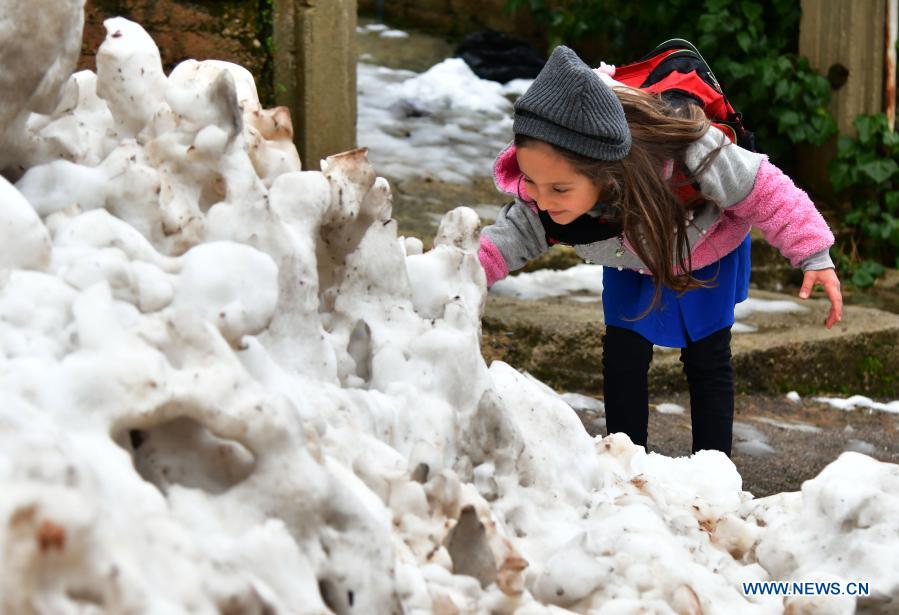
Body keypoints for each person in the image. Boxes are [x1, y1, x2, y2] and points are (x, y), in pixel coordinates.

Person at [477, 45, 843, 456]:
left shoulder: (689, 148)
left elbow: (764, 188)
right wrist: (464, 273)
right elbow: (512, 234)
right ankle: (625, 460)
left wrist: (814, 254)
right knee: (623, 356)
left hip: (704, 247)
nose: (542, 200)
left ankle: (713, 468)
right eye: (531, 182)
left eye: (558, 189)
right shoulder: (550, 190)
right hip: (631, 257)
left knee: (707, 358)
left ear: (606, 170)